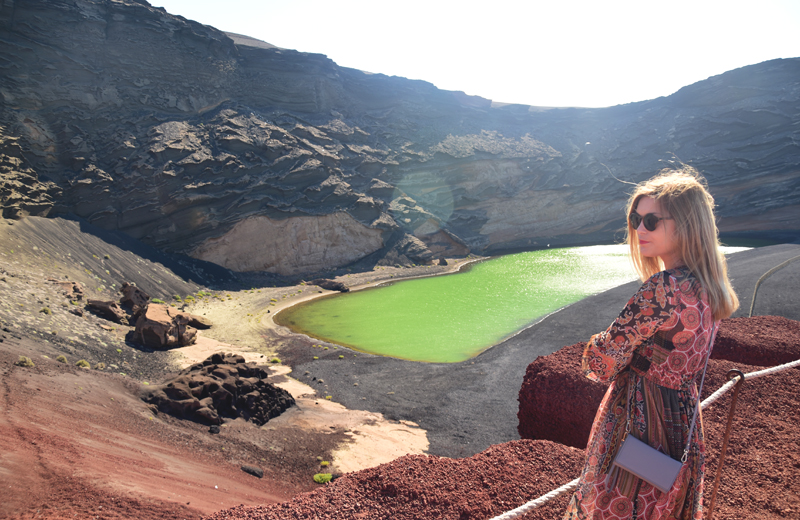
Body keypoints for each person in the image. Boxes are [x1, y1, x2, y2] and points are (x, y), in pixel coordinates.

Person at [563, 166, 739, 520]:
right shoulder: (710, 288)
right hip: (683, 417)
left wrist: (597, 344)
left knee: (619, 504)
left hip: (639, 420)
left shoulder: (662, 288)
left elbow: (601, 361)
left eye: (651, 221)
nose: (638, 229)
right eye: (635, 218)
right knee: (664, 507)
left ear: (686, 224)